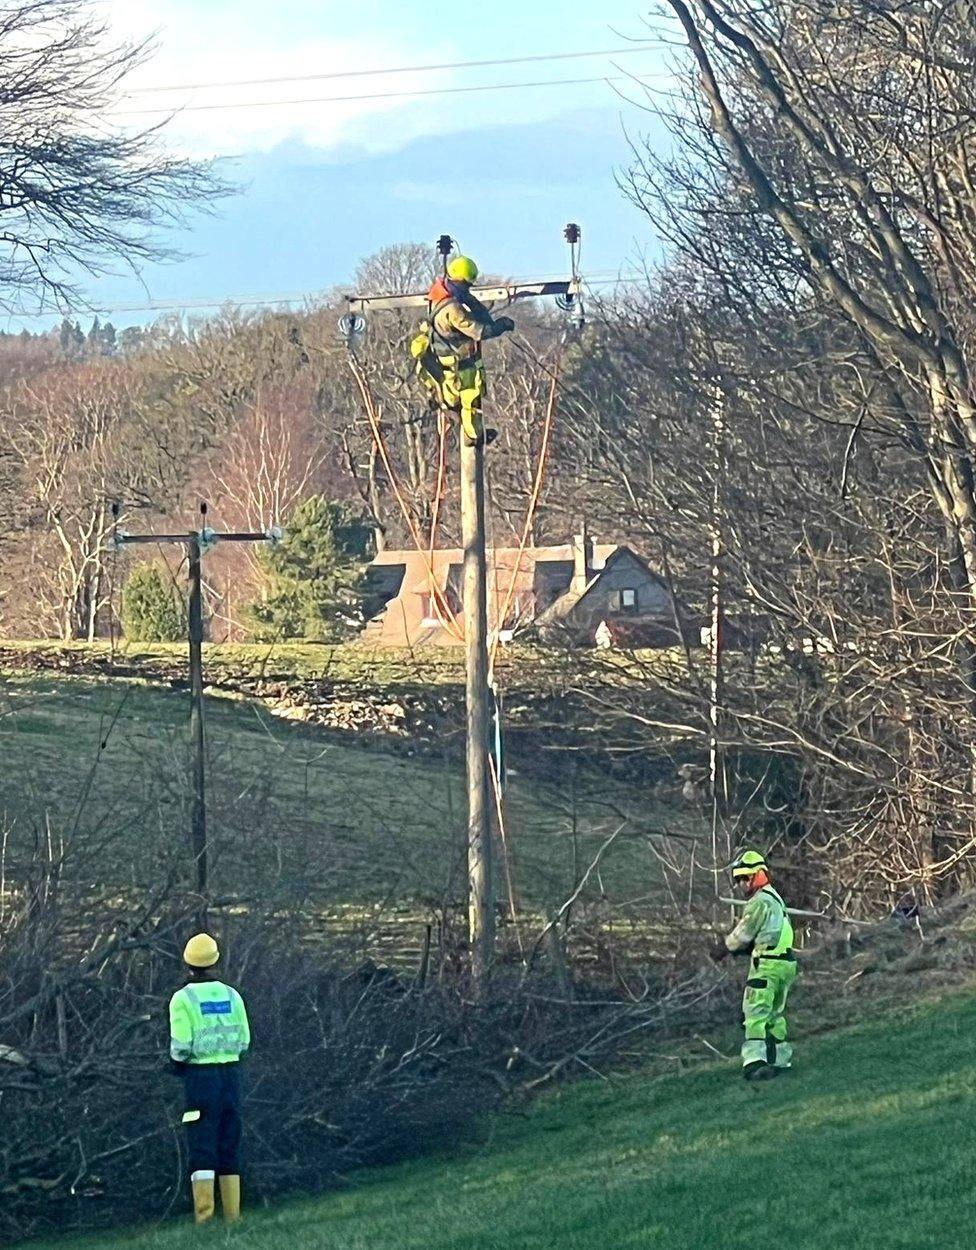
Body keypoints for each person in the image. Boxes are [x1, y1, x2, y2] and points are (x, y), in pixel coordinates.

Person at [169, 933, 250, 1224]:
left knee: (202, 1142)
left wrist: (177, 1064)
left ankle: (204, 1217)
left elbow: (181, 1045)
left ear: (187, 963)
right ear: (216, 960)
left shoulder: (183, 998)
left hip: (201, 1078)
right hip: (232, 1076)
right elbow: (244, 1041)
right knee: (229, 1140)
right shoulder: (232, 995)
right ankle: (233, 1215)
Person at [410, 255, 515, 446]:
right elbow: (479, 331)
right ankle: (474, 436)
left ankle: (462, 424)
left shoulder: (437, 297)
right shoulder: (453, 309)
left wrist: (473, 303)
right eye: (467, 285)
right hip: (457, 368)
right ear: (461, 281)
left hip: (444, 365)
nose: (468, 289)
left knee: (459, 402)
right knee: (470, 400)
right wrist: (502, 326)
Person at [712, 849, 797, 1080]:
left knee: (755, 1013)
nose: (740, 884)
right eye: (738, 879)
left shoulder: (759, 902)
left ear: (758, 875)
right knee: (775, 1015)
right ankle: (779, 1059)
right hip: (784, 963)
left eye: (744, 878)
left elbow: (744, 932)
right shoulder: (775, 899)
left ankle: (755, 1063)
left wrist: (724, 948)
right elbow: (774, 932)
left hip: (767, 965)